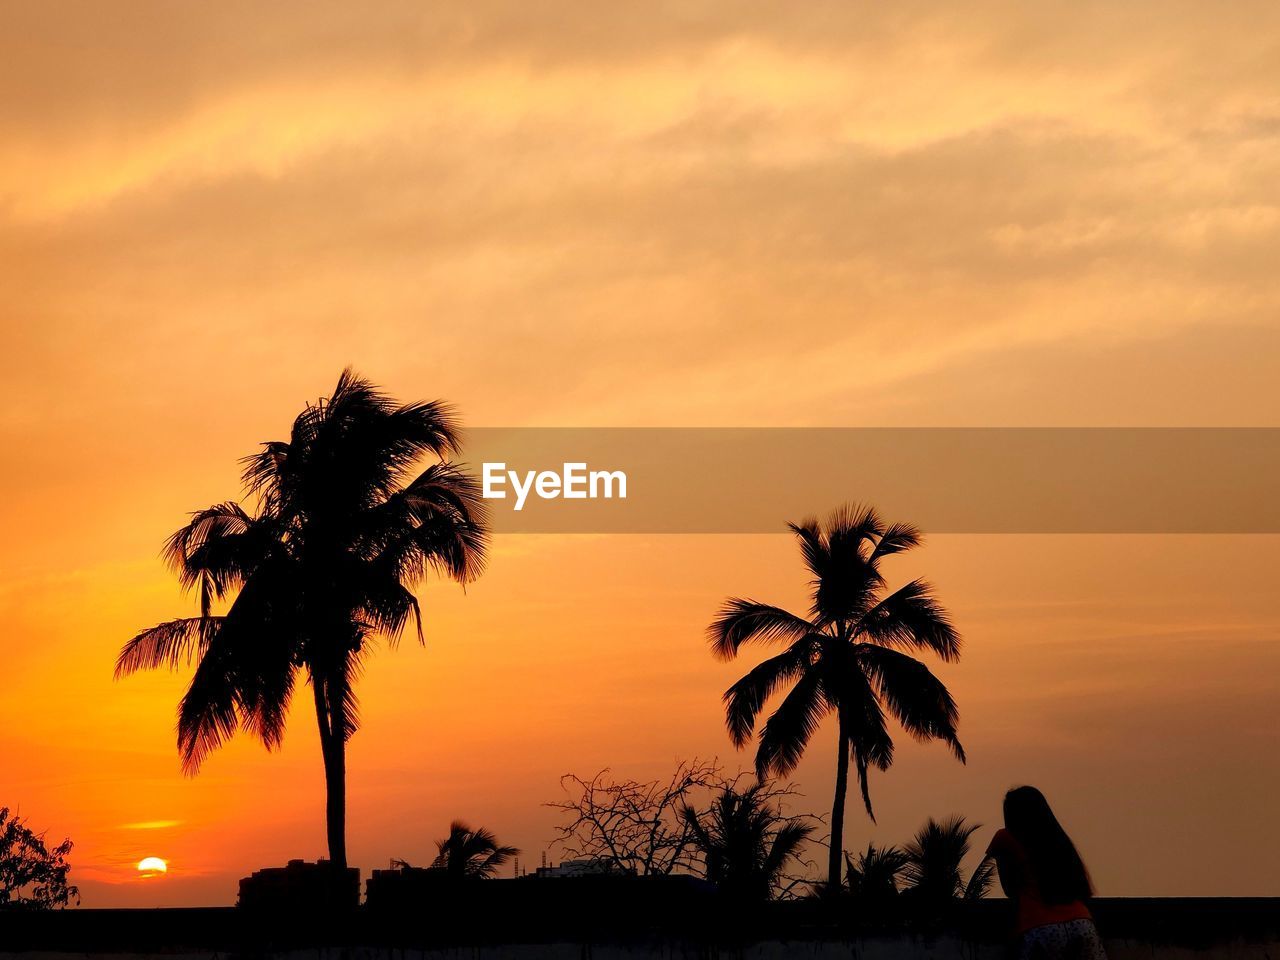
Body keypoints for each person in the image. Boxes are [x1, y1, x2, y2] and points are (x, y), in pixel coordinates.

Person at [986, 786, 1106, 960]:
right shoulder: (1057, 838)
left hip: (1040, 927)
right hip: (1082, 923)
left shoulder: (1005, 838)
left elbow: (1009, 889)